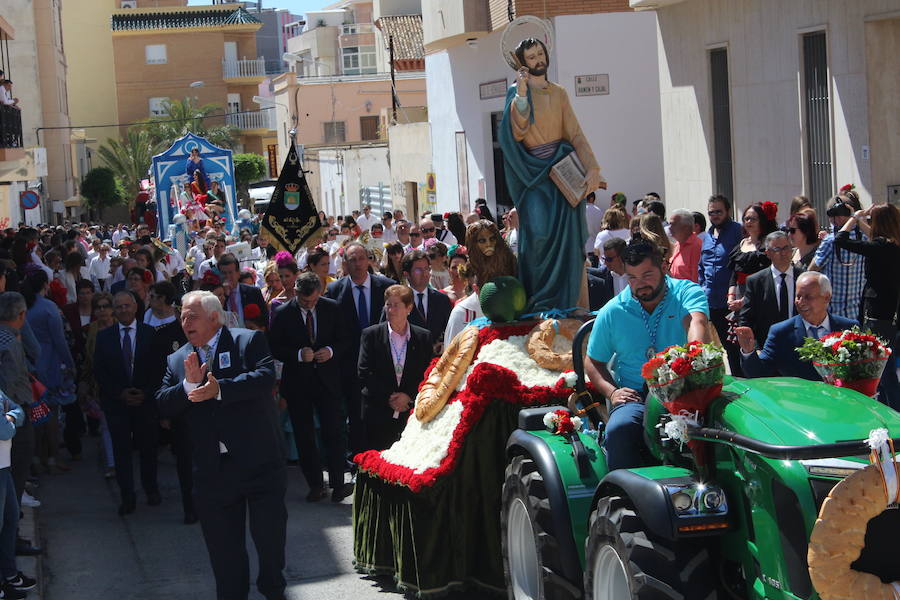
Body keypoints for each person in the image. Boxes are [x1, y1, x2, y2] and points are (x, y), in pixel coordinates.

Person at [156, 291, 287, 600]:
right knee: (224, 553)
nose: (184, 322)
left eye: (192, 316)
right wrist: (188, 385)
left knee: (270, 543)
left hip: (259, 464)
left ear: (214, 318)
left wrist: (219, 390)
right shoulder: (177, 360)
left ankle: (273, 589)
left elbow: (265, 377)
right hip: (213, 473)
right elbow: (162, 403)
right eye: (182, 316)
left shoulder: (247, 342)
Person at [499, 37, 604, 310]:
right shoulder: (518, 92)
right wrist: (522, 94)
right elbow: (517, 131)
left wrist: (592, 166)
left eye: (540, 53)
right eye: (531, 56)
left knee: (570, 242)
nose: (538, 59)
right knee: (538, 236)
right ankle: (538, 302)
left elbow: (575, 133)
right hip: (533, 174)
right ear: (523, 63)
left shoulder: (559, 93)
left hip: (562, 171)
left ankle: (568, 302)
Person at [584, 241, 710, 471]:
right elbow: (592, 361)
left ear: (663, 267)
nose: (640, 285)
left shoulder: (686, 293)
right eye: (632, 278)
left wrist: (695, 354)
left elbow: (696, 323)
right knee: (619, 429)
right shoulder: (613, 311)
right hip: (637, 397)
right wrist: (613, 392)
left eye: (647, 275)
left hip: (687, 390)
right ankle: (620, 495)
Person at [268, 273, 353, 503]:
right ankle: (315, 484)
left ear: (320, 293)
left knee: (333, 432)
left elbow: (346, 339)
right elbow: (273, 347)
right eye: (305, 302)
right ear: (295, 293)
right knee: (304, 435)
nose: (309, 305)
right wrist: (297, 355)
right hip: (298, 383)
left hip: (327, 381)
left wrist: (331, 351)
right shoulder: (282, 313)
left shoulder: (332, 308)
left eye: (313, 301)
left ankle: (338, 484)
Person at [93, 291, 162, 515]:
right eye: (119, 307)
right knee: (122, 452)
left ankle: (151, 489)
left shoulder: (149, 333)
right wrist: (120, 393)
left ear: (135, 307)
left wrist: (146, 393)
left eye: (126, 306)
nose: (123, 310)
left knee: (148, 449)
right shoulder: (104, 337)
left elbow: (159, 368)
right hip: (117, 403)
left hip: (145, 402)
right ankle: (127, 496)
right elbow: (100, 372)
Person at [326, 242, 396, 453]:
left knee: (384, 415)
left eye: (361, 258)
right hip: (351, 365)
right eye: (352, 260)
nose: (357, 264)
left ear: (368, 259)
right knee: (357, 417)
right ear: (345, 263)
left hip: (384, 362)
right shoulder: (335, 289)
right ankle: (360, 461)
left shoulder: (386, 286)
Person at [833, 203, 900, 408]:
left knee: (881, 368)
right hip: (893, 312)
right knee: (888, 366)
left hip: (878, 314)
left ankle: (893, 412)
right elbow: (876, 241)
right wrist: (862, 219)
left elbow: (840, 240)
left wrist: (853, 220)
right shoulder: (892, 245)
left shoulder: (880, 248)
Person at [736, 272, 857, 380]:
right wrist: (748, 351)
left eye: (808, 297)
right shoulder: (781, 332)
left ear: (827, 297)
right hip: (799, 401)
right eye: (798, 296)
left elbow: (862, 371)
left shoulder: (848, 328)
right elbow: (759, 374)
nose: (801, 302)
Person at [358, 285, 432, 450]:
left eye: (396, 305)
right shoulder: (371, 335)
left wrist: (408, 396)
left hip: (410, 412)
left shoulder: (422, 337)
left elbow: (428, 373)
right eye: (388, 305)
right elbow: (364, 371)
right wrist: (390, 397)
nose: (390, 310)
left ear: (409, 308)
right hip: (378, 411)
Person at [24, 269, 75, 474]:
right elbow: (59, 340)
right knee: (51, 413)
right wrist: (70, 362)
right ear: (46, 285)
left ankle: (36, 457)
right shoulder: (49, 308)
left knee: (34, 414)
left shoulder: (24, 306)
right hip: (50, 365)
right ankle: (52, 458)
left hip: (28, 366)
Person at [698, 194, 744, 375]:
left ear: (728, 212)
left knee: (736, 348)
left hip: (732, 302)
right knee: (723, 348)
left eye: (719, 211)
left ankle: (744, 382)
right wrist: (702, 288)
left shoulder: (737, 231)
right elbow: (702, 266)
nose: (715, 215)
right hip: (712, 302)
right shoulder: (708, 236)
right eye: (711, 212)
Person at [738, 231, 804, 345]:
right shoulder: (756, 281)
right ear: (768, 253)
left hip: (801, 344)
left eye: (786, 248)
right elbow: (747, 317)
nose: (783, 253)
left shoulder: (803, 278)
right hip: (768, 344)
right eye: (777, 249)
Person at [810, 194, 866, 321]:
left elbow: (812, 270)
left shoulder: (830, 241)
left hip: (833, 316)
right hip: (858, 315)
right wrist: (855, 218)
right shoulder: (864, 237)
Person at [80, 293, 116, 480]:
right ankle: (111, 463)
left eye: (105, 306)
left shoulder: (120, 326)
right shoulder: (91, 329)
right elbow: (88, 358)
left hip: (121, 381)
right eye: (98, 307)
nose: (102, 311)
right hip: (99, 384)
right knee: (105, 426)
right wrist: (85, 382)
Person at [404, 249, 452, 355]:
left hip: (436, 363)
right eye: (418, 270)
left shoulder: (442, 300)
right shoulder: (399, 301)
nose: (425, 274)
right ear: (406, 274)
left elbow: (449, 331)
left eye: (427, 269)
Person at [218, 253, 268, 328]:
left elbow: (264, 317)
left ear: (238, 273)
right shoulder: (216, 296)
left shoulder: (253, 292)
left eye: (230, 272)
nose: (227, 276)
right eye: (224, 273)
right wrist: (226, 295)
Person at [667, 209, 701, 283]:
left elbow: (696, 279)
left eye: (673, 224)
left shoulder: (696, 247)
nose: (669, 228)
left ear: (686, 227)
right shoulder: (677, 244)